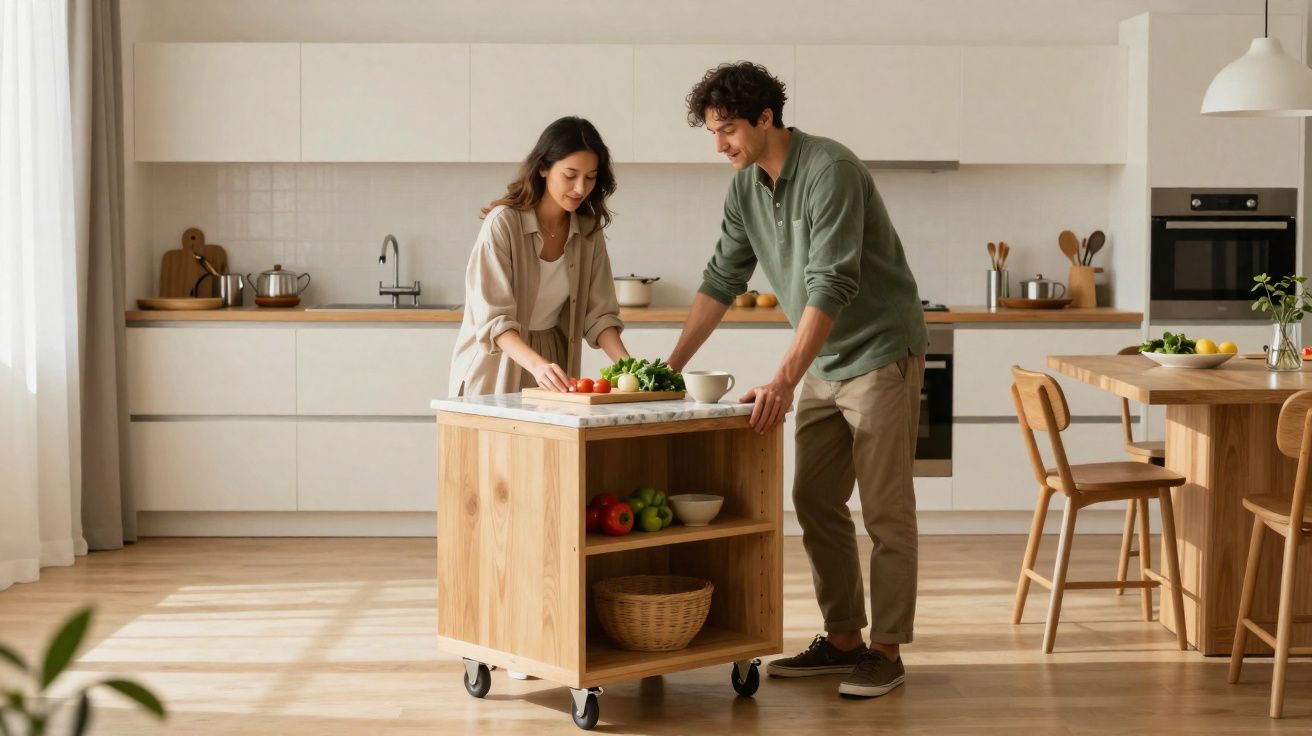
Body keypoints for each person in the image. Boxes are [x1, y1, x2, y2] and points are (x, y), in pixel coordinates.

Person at [665, 62, 928, 699]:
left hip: (879, 353)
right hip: (825, 361)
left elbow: (831, 282)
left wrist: (783, 380)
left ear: (766, 118)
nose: (719, 144)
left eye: (728, 129)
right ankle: (844, 640)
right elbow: (721, 280)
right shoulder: (745, 188)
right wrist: (665, 370)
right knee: (814, 500)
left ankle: (887, 651)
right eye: (712, 132)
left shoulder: (830, 170)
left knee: (885, 511)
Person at [449, 116, 630, 397]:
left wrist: (630, 368)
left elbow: (600, 315)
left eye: (590, 177)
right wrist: (538, 366)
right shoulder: (503, 224)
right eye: (570, 175)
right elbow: (494, 320)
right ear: (543, 168)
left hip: (552, 360)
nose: (580, 188)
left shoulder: (588, 232)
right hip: (496, 365)